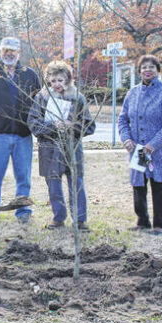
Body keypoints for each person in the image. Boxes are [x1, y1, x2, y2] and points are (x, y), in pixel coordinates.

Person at [0, 37, 41, 223]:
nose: (9, 54)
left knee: (23, 176)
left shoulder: (30, 75)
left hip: (23, 136)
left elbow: (38, 105)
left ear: (19, 52)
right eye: (5, 50)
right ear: (0, 52)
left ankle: (22, 211)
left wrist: (40, 128)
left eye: (13, 50)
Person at [28, 61, 95, 230]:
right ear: (48, 80)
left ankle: (80, 220)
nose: (57, 84)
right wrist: (52, 126)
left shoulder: (77, 98)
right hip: (49, 149)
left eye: (61, 80)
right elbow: (33, 123)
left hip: (72, 149)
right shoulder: (42, 97)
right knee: (53, 184)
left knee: (76, 184)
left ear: (68, 79)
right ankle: (58, 217)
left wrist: (71, 125)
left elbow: (89, 125)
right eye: (53, 80)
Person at [118, 55, 162, 235]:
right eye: (144, 67)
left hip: (157, 149)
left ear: (158, 70)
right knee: (139, 185)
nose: (147, 70)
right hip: (137, 148)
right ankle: (142, 221)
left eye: (152, 67)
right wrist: (126, 138)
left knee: (158, 185)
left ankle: (159, 224)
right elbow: (122, 119)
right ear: (139, 71)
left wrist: (153, 145)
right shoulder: (132, 93)